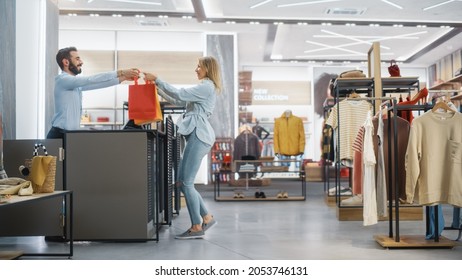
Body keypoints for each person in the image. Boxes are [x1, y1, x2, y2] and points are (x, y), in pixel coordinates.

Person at [144, 56, 221, 240]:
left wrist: (158, 80)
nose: (196, 69)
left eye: (199, 66)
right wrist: (157, 88)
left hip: (199, 136)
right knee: (181, 182)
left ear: (208, 69)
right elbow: (180, 102)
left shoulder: (206, 86)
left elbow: (181, 94)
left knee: (186, 183)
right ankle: (207, 218)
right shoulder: (204, 88)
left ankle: (196, 226)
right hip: (196, 135)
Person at [47, 46, 139, 139]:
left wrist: (123, 78)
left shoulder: (74, 84)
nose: (81, 62)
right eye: (77, 59)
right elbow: (91, 79)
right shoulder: (63, 80)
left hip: (69, 135)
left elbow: (98, 84)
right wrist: (121, 72)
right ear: (66, 62)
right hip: (58, 135)